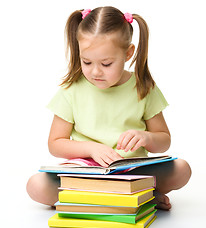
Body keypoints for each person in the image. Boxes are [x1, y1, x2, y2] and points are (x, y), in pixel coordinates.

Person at [26, 6, 191, 210]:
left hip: (131, 171)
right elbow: (55, 143)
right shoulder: (71, 90)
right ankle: (140, 198)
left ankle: (110, 199)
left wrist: (147, 138)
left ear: (128, 53)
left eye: (106, 63)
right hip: (86, 174)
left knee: (182, 169)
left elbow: (164, 140)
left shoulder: (143, 88)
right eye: (86, 62)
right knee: (36, 185)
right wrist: (91, 149)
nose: (95, 72)